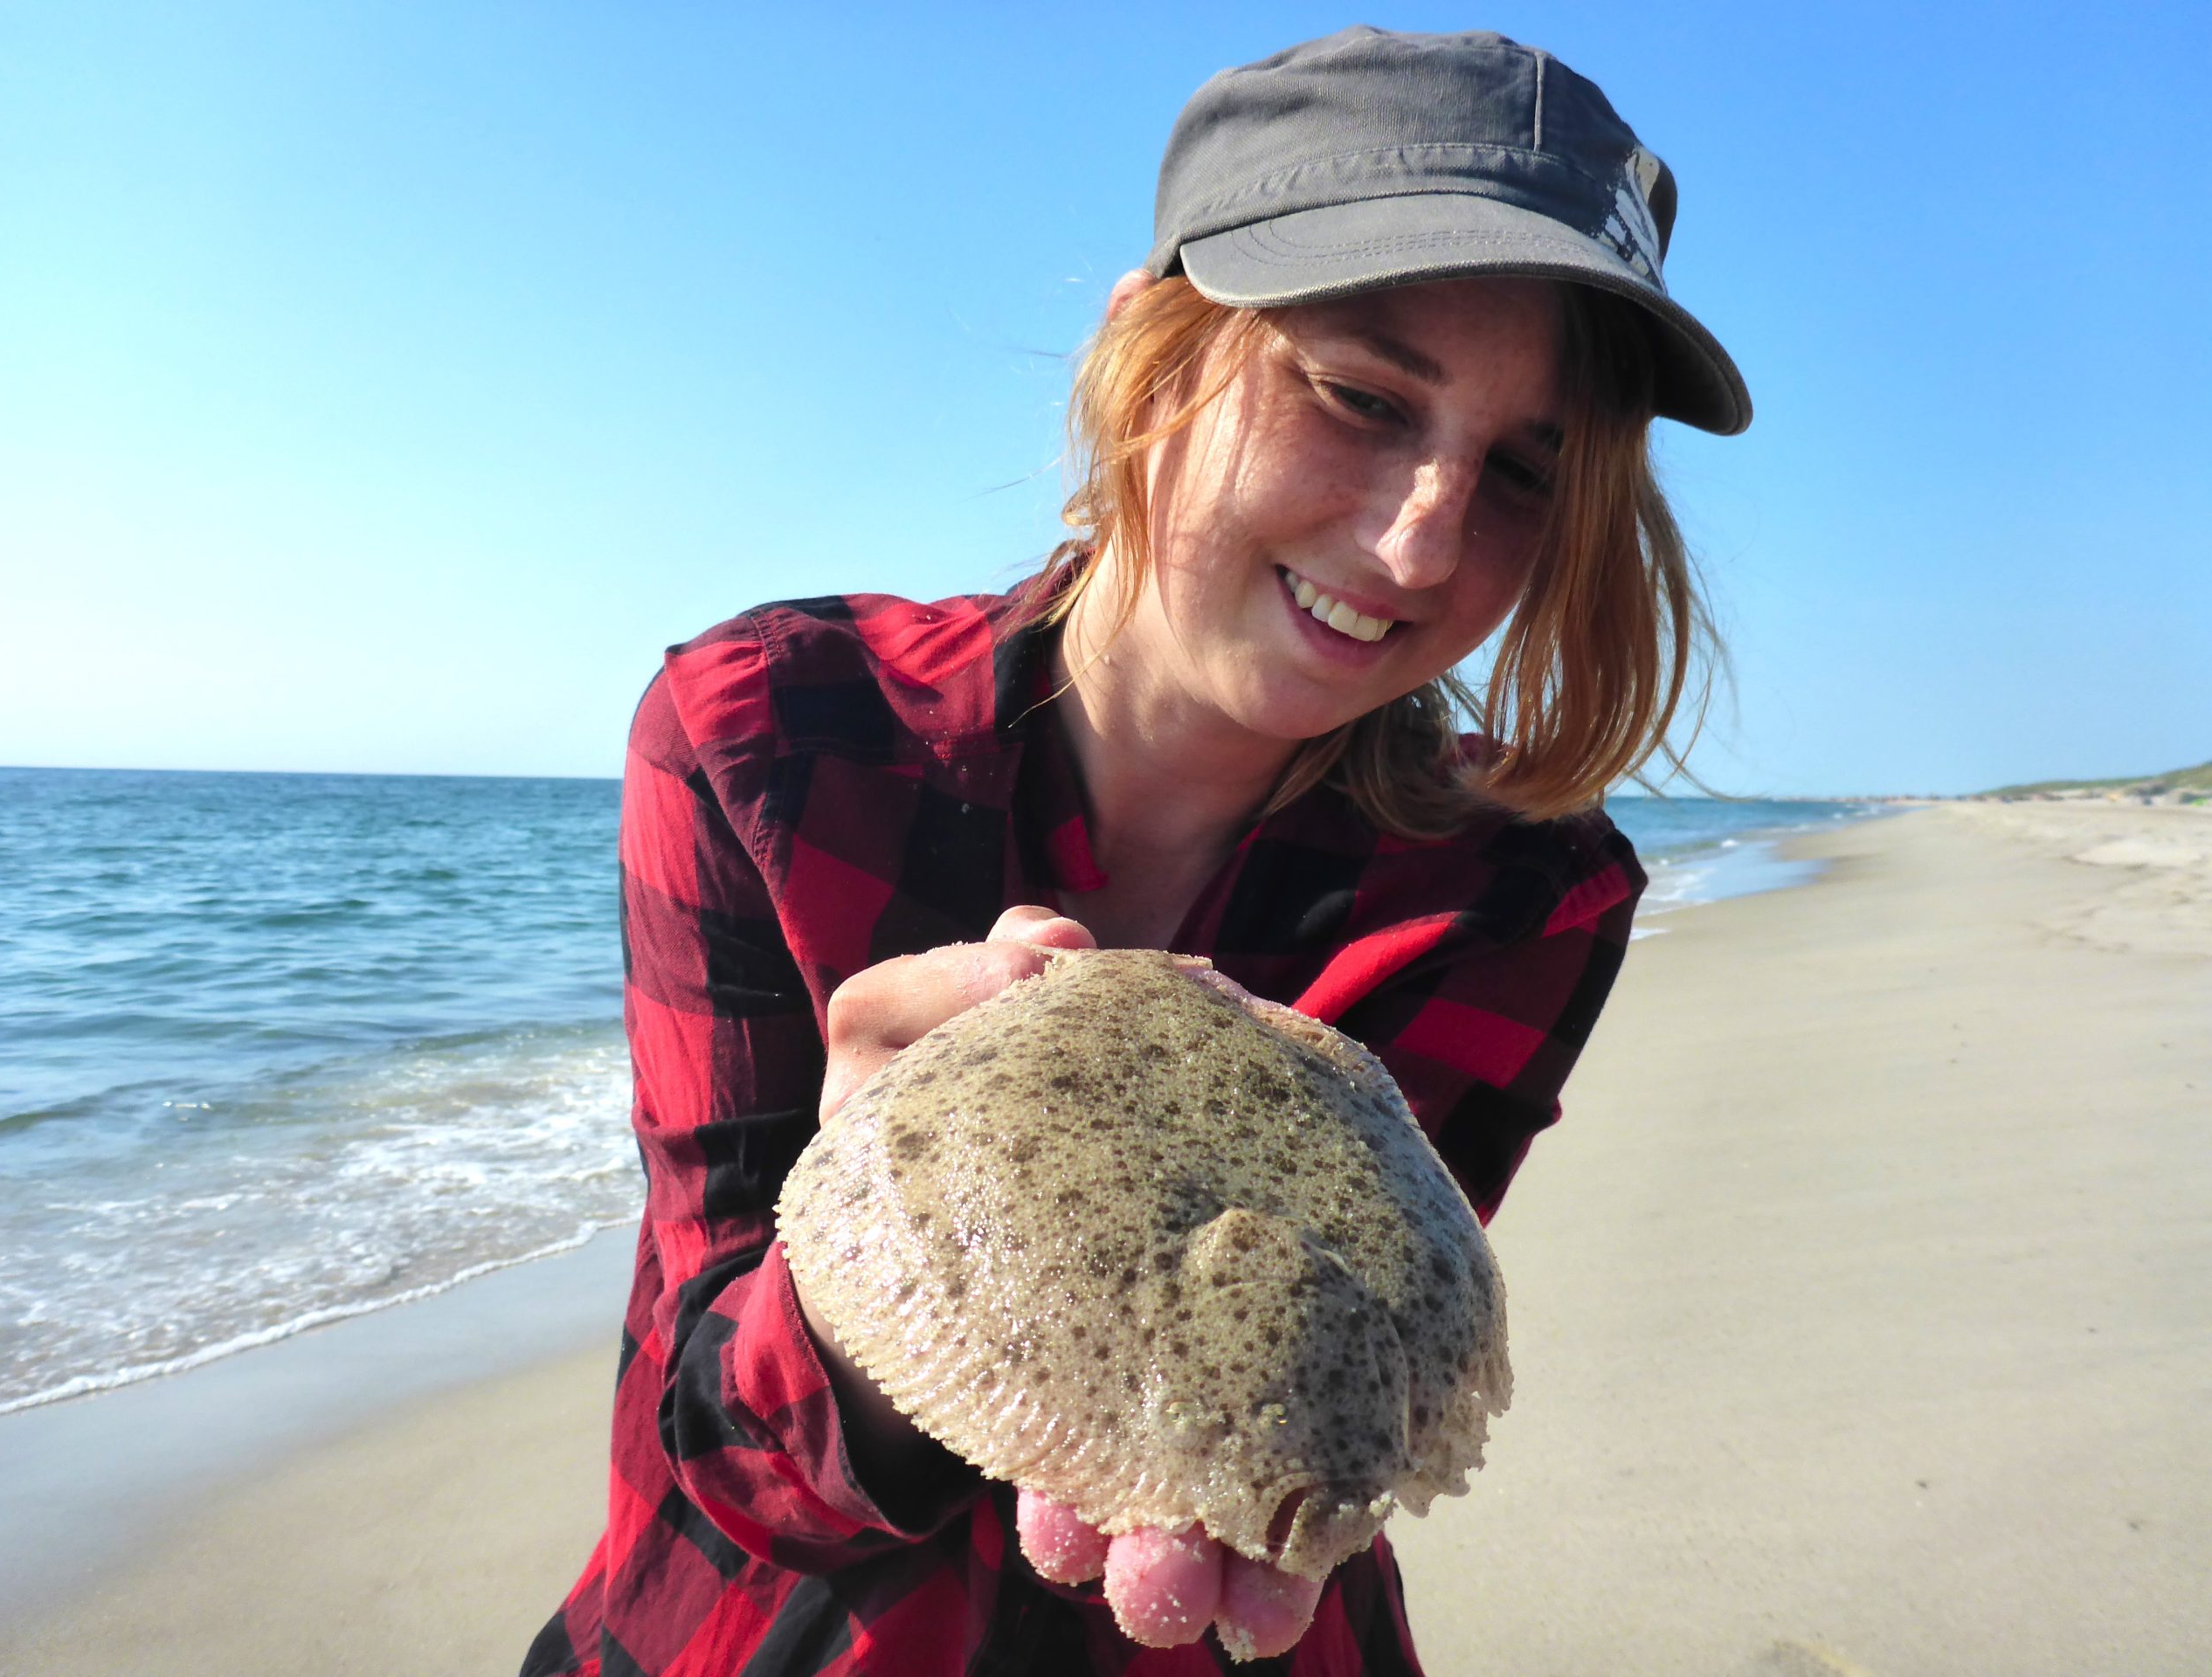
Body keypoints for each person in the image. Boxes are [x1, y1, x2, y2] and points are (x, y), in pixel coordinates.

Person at [523, 25, 1750, 1677]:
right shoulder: (763, 737)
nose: (1424, 540)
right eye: (1359, 395)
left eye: (1523, 472)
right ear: (1153, 355)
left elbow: (1349, 1362)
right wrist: (861, 1266)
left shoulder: (1528, 887)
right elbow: (721, 1449)